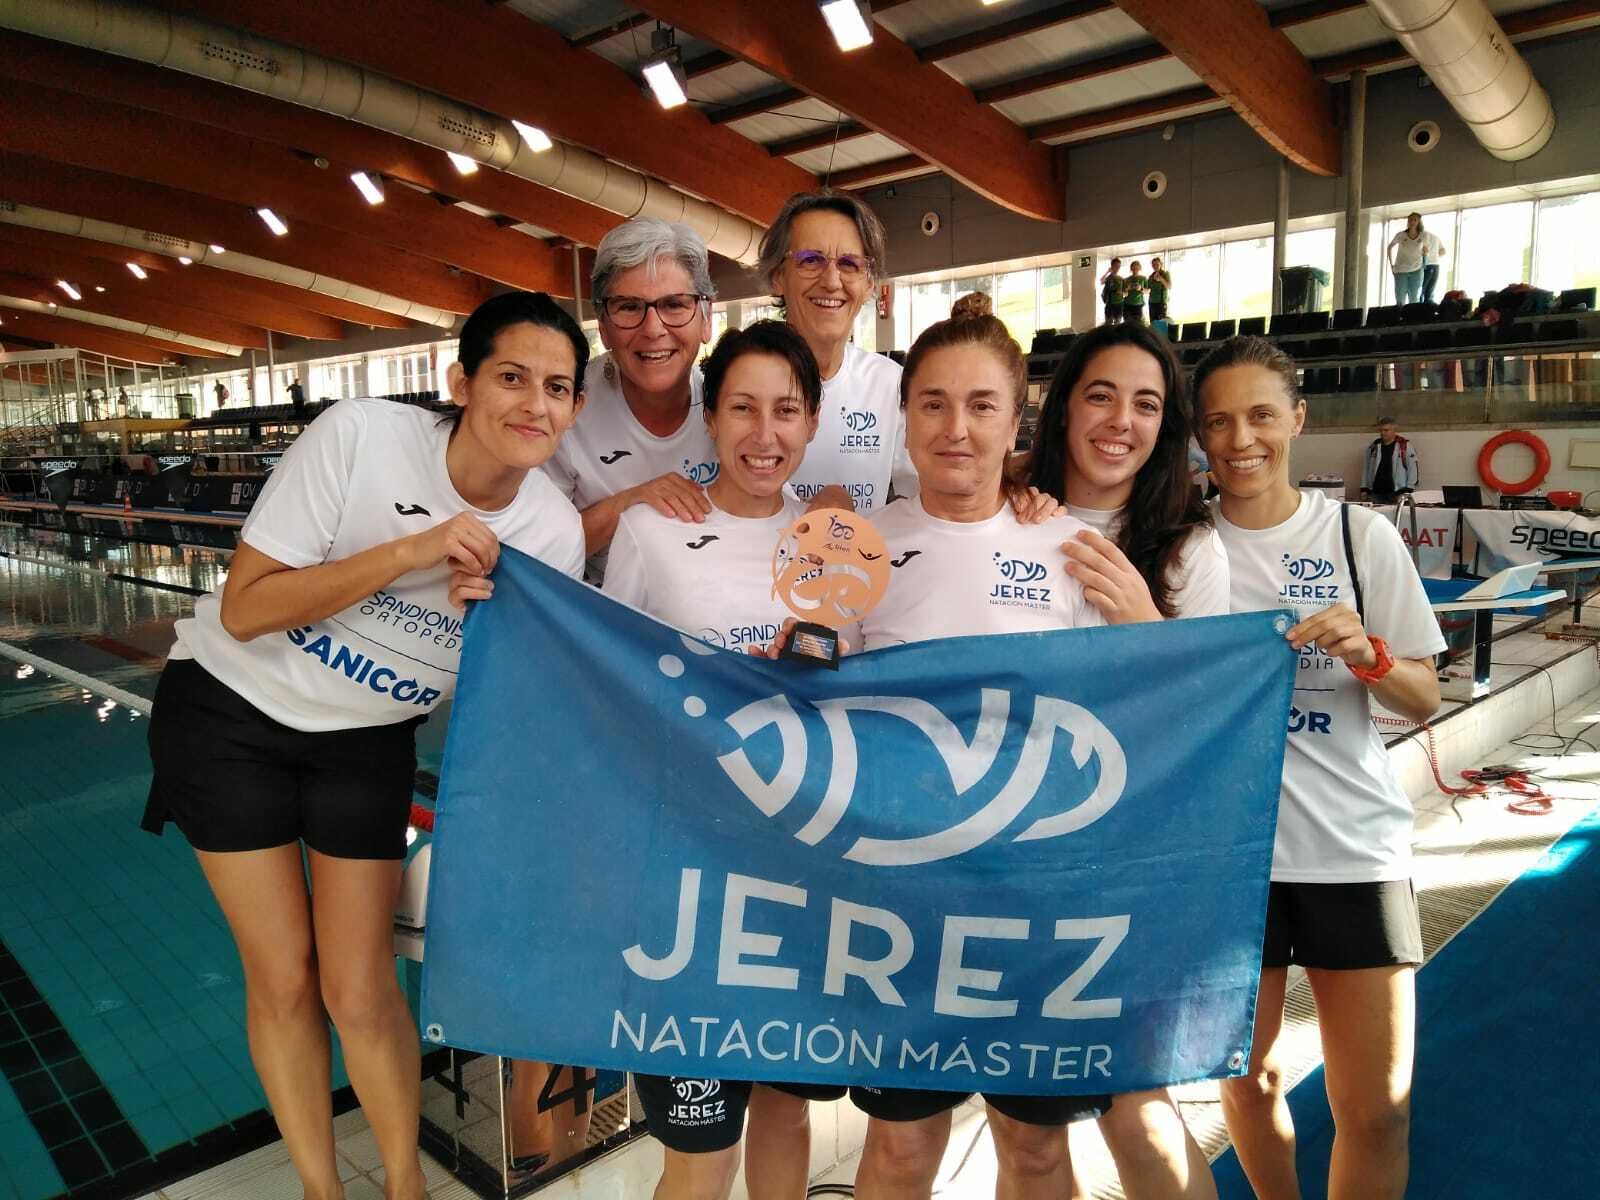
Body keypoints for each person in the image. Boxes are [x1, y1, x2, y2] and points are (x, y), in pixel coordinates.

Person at [142, 291, 589, 1200]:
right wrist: (409, 554)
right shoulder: (360, 437)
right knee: (284, 977)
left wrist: (490, 626)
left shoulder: (552, 532)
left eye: (557, 388)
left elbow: (516, 699)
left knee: (360, 985)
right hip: (231, 715)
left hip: (366, 742)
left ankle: (403, 1185)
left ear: (575, 407)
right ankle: (323, 1188)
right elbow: (247, 608)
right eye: (511, 377)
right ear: (460, 382)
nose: (534, 404)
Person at [762, 314, 1117, 1200]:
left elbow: (1129, 703)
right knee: (901, 1149)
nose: (956, 428)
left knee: (1035, 1151)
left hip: (1033, 902)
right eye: (933, 404)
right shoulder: (857, 546)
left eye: (981, 405)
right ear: (906, 417)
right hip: (902, 898)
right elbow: (814, 698)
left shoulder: (1068, 548)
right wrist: (790, 656)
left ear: (1016, 417)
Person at [1195, 336, 1443, 1200]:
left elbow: (1425, 696)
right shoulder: (1180, 547)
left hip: (1350, 848)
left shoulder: (1357, 535)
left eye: (1262, 415)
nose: (1241, 440)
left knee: (1377, 1110)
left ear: (1298, 419)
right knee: (1248, 1082)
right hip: (1232, 861)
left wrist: (1372, 655)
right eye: (1218, 421)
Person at [603, 320, 823, 1198]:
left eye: (786, 411)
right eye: (742, 409)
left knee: (786, 1111)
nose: (764, 435)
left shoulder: (839, 545)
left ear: (812, 423)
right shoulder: (650, 530)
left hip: (803, 875)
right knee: (700, 1156)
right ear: (710, 415)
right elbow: (611, 684)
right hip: (686, 885)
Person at [1023, 321, 1226, 1200]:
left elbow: (1207, 724)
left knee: (1139, 1109)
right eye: (1101, 395)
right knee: (1028, 1137)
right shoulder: (1004, 516)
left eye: (1146, 404)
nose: (1120, 420)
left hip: (1126, 867)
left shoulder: (1190, 546)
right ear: (1064, 406)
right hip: (1008, 860)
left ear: (1165, 425)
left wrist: (1145, 625)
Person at [546, 217, 719, 582]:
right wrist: (631, 502)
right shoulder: (562, 408)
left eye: (674, 304)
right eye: (628, 307)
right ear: (603, 326)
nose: (653, 329)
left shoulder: (731, 404)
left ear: (706, 320)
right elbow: (539, 550)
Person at [757, 190, 915, 516]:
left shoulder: (890, 384)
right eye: (810, 260)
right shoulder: (738, 382)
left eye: (849, 264)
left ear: (869, 284)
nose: (831, 281)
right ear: (777, 277)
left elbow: (927, 494)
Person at [1360, 418, 1419, 503]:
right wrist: (1364, 488)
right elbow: (1366, 468)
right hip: (1376, 492)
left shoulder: (1404, 446)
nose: (1382, 433)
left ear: (1394, 430)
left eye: (1386, 430)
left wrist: (1409, 490)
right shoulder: (1374, 446)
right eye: (1381, 430)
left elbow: (1412, 469)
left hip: (1397, 493)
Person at [1387, 213, 1428, 306]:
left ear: (1419, 222)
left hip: (1417, 270)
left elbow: (1426, 251)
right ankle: (1400, 315)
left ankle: (1412, 315)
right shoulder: (1401, 235)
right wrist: (1391, 265)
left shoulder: (1423, 235)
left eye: (1415, 220)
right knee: (1400, 299)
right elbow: (1389, 247)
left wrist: (1424, 265)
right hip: (1401, 270)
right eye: (1410, 220)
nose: (1412, 222)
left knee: (1414, 299)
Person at [1418, 228, 1448, 305]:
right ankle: (1428, 310)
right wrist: (1434, 255)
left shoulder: (1422, 235)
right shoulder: (1435, 236)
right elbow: (1443, 251)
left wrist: (1429, 256)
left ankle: (1418, 310)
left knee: (1420, 292)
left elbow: (1424, 249)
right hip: (1436, 266)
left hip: (1427, 265)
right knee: (1429, 293)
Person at [1122, 261, 1149, 326]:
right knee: (1127, 325)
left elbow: (1148, 291)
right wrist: (1127, 289)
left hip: (1138, 305)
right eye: (1133, 268)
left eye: (1136, 268)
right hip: (1127, 305)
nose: (1135, 270)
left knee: (1138, 325)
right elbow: (1123, 295)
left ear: (1140, 268)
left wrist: (1141, 288)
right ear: (1131, 269)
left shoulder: (1143, 278)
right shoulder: (1126, 279)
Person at [1148, 258, 1172, 326]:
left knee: (1161, 324)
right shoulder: (1150, 276)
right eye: (1153, 265)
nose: (1155, 266)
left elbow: (1169, 286)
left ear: (1161, 264)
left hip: (1161, 303)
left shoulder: (1166, 274)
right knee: (1153, 324)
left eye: (1157, 264)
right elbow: (1148, 289)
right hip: (1151, 303)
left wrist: (1161, 279)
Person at [1101, 258, 1126, 325]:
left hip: (1119, 304)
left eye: (1119, 266)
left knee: (1117, 324)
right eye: (1115, 266)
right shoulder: (1108, 278)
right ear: (1112, 266)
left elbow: (1126, 293)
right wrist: (1107, 272)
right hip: (1109, 303)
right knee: (1108, 324)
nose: (1117, 268)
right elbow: (1101, 281)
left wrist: (1121, 293)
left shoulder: (1121, 279)